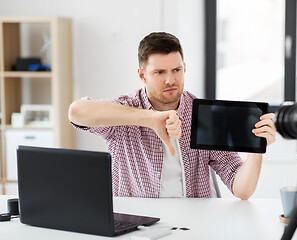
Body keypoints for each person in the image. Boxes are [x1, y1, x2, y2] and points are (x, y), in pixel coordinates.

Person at [68, 32, 276, 200]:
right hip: (139, 225)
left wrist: (257, 148)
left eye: (176, 70)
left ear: (184, 68)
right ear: (142, 75)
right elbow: (77, 112)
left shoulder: (204, 114)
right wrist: (150, 119)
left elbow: (242, 190)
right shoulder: (125, 110)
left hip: (195, 225)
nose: (170, 80)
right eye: (159, 72)